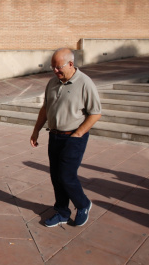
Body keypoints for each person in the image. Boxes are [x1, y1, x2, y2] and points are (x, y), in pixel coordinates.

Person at [30, 48, 101, 228]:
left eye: (58, 67)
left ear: (71, 64)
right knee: (55, 176)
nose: (55, 71)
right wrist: (36, 130)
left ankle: (83, 204)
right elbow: (45, 108)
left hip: (74, 137)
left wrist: (78, 134)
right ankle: (62, 212)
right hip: (54, 136)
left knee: (66, 176)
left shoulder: (85, 83)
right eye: (52, 67)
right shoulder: (52, 83)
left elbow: (95, 113)